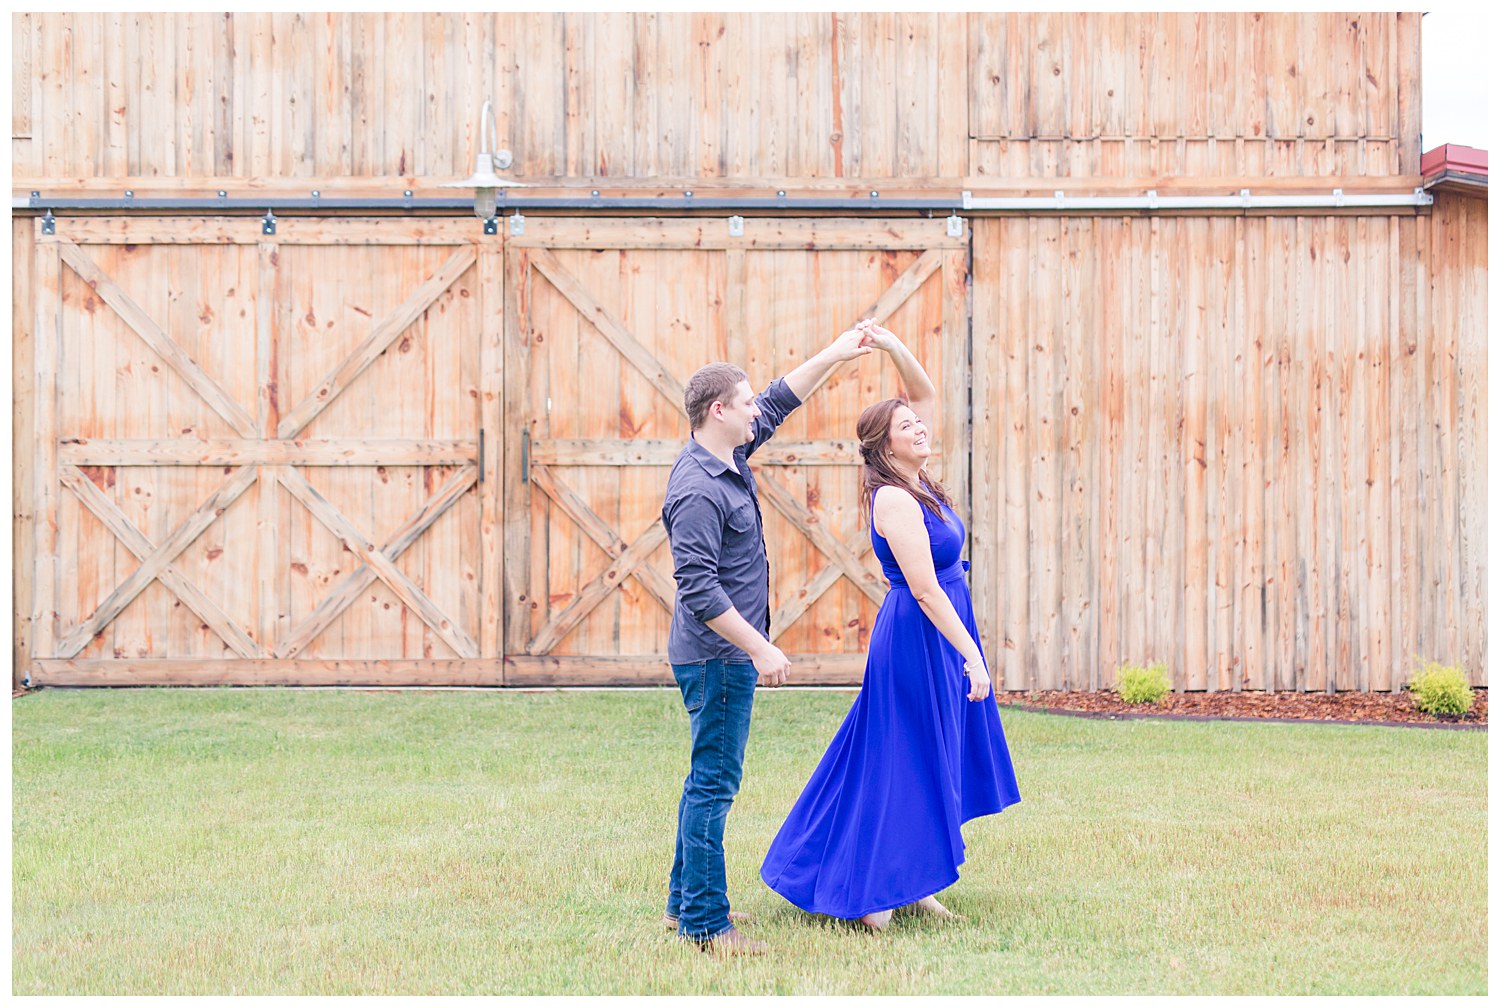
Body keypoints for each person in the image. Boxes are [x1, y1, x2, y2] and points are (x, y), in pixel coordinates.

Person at [759, 320, 1021, 931]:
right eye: (906, 427)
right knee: (899, 758)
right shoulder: (894, 499)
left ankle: (917, 881)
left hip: (944, 627)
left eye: (917, 423)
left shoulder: (917, 478)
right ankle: (869, 891)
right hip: (920, 636)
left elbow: (924, 393)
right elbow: (926, 589)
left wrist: (888, 343)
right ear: (884, 445)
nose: (920, 428)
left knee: (932, 755)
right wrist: (972, 656)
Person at [661, 326, 873, 956]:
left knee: (707, 779)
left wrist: (835, 352)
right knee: (714, 784)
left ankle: (682, 906)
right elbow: (697, 588)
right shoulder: (697, 489)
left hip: (723, 656)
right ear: (717, 411)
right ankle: (705, 923)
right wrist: (757, 646)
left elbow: (782, 396)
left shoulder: (728, 458)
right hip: (718, 657)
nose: (758, 409)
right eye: (746, 402)